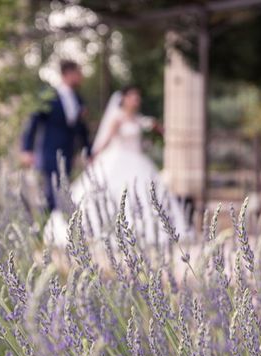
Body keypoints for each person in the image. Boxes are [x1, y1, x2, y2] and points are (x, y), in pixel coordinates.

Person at [44, 85, 191, 245]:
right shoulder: (118, 118)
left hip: (138, 161)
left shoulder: (138, 119)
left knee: (146, 195)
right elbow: (106, 139)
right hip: (118, 159)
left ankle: (145, 231)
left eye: (137, 97)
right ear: (124, 99)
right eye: (133, 97)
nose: (136, 100)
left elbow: (154, 128)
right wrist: (94, 155)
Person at [21, 60, 91, 211]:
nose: (81, 77)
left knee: (64, 191)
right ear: (68, 74)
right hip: (50, 152)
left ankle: (57, 227)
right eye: (78, 73)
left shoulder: (78, 99)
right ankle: (48, 228)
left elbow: (82, 129)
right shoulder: (49, 96)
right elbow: (33, 123)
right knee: (52, 194)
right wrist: (27, 149)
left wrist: (88, 151)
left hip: (68, 154)